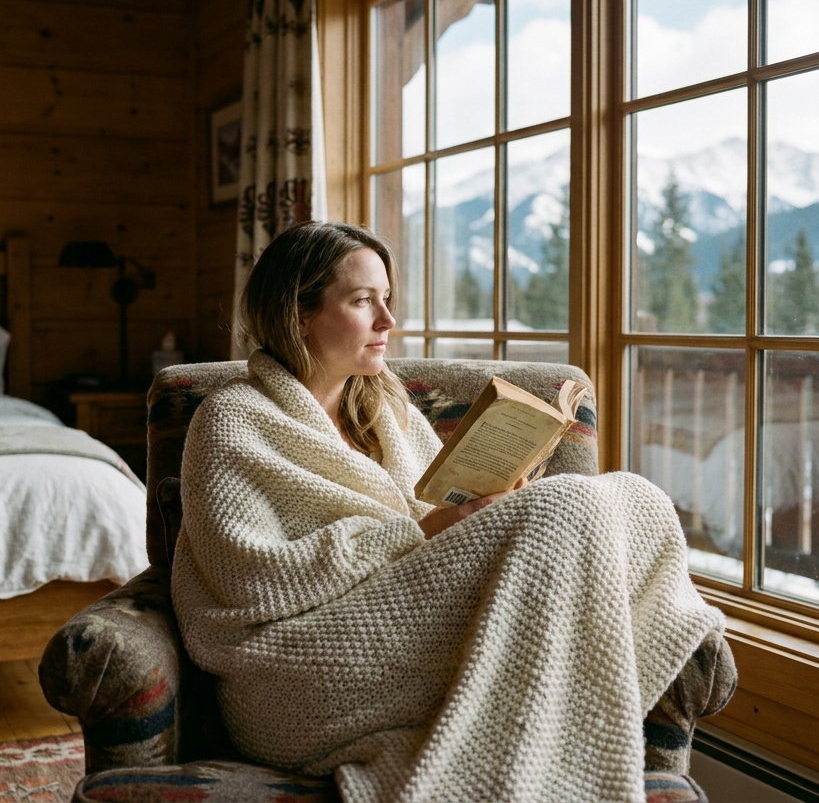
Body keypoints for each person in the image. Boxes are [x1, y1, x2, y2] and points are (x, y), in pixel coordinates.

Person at [170, 221, 733, 803]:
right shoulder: (232, 419)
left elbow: (440, 517)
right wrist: (414, 533)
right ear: (298, 313)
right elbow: (248, 578)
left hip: (403, 622)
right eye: (364, 301)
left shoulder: (385, 405)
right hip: (294, 666)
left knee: (634, 497)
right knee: (567, 503)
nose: (388, 322)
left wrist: (496, 501)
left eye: (387, 300)